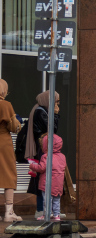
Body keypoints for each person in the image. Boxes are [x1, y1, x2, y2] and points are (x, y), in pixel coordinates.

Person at [23, 91, 58, 219]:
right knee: (43, 179)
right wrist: (55, 114)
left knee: (47, 179)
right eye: (56, 101)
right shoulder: (41, 112)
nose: (57, 105)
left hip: (43, 149)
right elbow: (53, 129)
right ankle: (41, 209)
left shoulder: (40, 110)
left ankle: (49, 210)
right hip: (42, 150)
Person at [27, 133, 66, 221]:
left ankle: (46, 215)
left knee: (47, 200)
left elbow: (41, 168)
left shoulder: (46, 156)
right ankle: (56, 215)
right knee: (56, 200)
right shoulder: (62, 157)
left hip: (48, 183)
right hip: (59, 184)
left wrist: (32, 166)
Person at [0, 80, 21, 222]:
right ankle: (9, 212)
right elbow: (14, 127)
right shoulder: (6, 105)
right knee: (8, 174)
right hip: (3, 142)